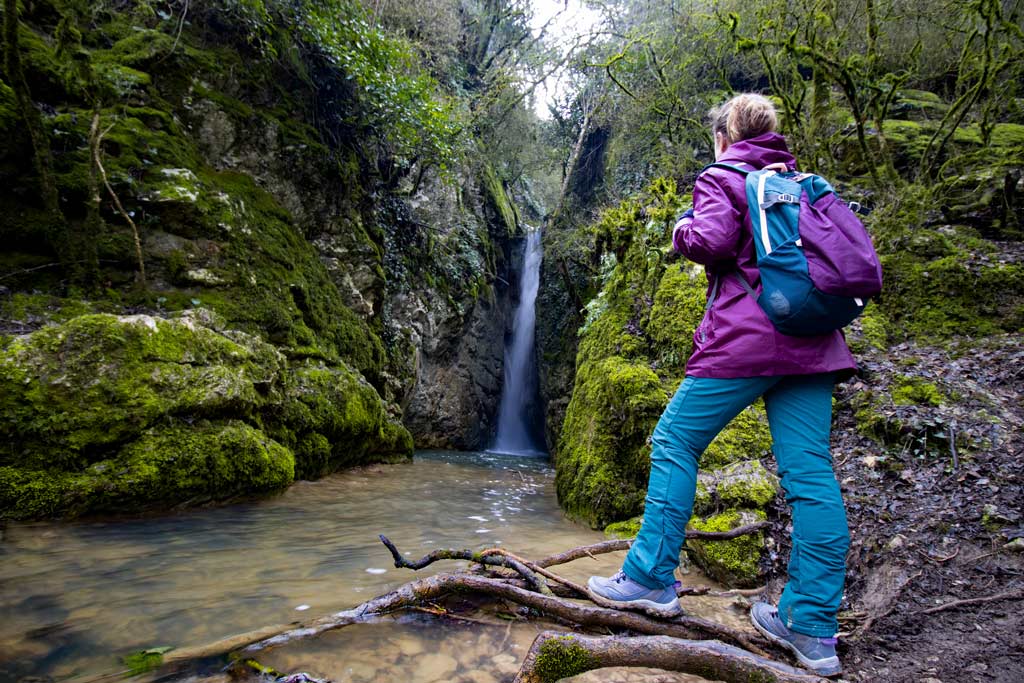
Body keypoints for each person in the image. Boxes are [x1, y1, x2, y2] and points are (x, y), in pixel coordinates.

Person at [586, 93, 855, 677]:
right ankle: (812, 628)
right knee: (810, 473)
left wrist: (682, 227)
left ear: (724, 136)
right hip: (814, 341)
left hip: (747, 341)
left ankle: (651, 577)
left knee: (674, 441)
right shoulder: (800, 182)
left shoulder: (725, 175)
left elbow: (707, 242)